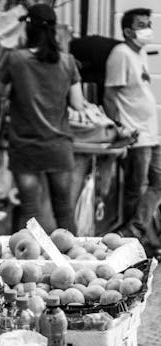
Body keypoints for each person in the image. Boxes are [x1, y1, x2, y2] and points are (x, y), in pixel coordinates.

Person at [0, 4, 84, 233]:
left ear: (28, 29)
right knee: (64, 209)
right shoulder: (67, 61)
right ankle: (72, 263)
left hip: (25, 147)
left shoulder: (15, 59)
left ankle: (30, 266)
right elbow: (78, 104)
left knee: (30, 212)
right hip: (58, 146)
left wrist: (17, 86)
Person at [103, 8, 161, 246]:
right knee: (135, 188)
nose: (148, 28)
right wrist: (120, 127)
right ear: (127, 30)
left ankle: (133, 230)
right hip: (135, 133)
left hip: (150, 133)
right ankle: (130, 239)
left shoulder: (140, 53)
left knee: (157, 182)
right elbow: (109, 95)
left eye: (149, 23)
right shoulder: (121, 54)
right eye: (141, 25)